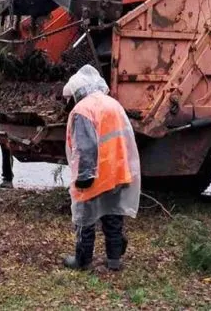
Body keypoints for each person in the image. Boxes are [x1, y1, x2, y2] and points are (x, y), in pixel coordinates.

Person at [61, 65, 140, 271]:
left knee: (85, 220)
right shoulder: (113, 104)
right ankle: (114, 260)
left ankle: (83, 260)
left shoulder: (83, 109)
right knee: (113, 217)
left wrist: (84, 176)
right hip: (118, 172)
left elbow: (85, 146)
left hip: (95, 174)